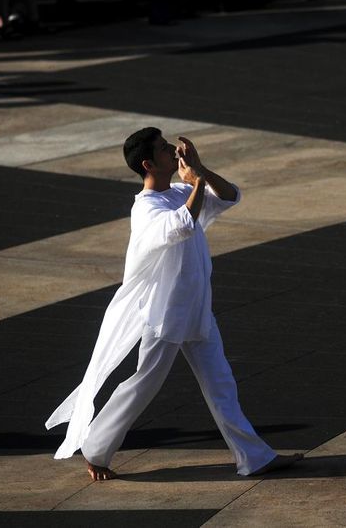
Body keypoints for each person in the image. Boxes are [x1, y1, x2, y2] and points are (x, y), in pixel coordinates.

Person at [46, 127, 301, 481]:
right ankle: (96, 450)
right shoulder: (146, 209)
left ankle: (254, 458)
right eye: (166, 150)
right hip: (164, 315)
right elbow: (181, 224)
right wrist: (196, 181)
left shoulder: (181, 191)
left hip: (196, 308)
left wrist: (201, 172)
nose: (174, 153)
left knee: (221, 383)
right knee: (143, 385)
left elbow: (229, 196)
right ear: (149, 163)